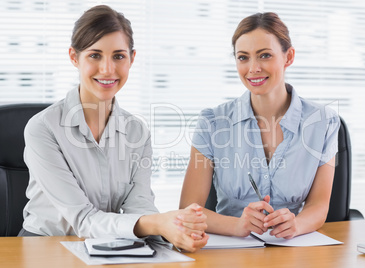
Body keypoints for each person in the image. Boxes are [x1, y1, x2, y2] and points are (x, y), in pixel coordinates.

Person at [19, 5, 208, 252]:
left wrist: (175, 230)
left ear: (132, 58)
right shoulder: (43, 128)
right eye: (95, 55)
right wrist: (159, 224)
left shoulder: (136, 132)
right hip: (44, 248)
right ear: (74, 58)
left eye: (118, 56)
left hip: (105, 246)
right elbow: (83, 219)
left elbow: (139, 205)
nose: (108, 69)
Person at [180, 12, 340, 239]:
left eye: (264, 55)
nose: (253, 68)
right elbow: (189, 209)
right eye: (243, 57)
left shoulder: (323, 123)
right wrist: (236, 225)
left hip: (292, 249)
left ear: (289, 56)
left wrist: (296, 225)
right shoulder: (213, 123)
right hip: (230, 250)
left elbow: (319, 205)